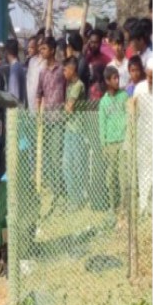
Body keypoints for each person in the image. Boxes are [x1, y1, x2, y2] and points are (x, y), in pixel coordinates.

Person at [36, 36, 65, 198]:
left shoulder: (61, 70)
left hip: (60, 119)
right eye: (40, 49)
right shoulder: (42, 72)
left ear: (52, 50)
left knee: (57, 156)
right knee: (48, 156)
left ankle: (59, 191)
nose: (41, 52)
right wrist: (39, 115)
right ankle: (53, 190)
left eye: (44, 49)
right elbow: (38, 94)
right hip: (47, 118)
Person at [98, 66, 129, 213]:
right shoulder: (103, 102)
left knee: (123, 175)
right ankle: (112, 204)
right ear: (107, 81)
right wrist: (103, 144)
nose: (117, 80)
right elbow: (102, 124)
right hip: (110, 143)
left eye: (118, 77)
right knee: (110, 176)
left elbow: (129, 117)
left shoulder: (124, 96)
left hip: (123, 141)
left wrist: (128, 138)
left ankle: (124, 205)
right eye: (114, 78)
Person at [61, 56, 87, 210]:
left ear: (72, 70)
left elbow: (69, 107)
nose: (63, 72)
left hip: (77, 130)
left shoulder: (78, 85)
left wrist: (66, 106)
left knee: (78, 165)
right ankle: (73, 199)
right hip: (69, 130)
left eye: (65, 69)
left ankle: (78, 199)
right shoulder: (70, 85)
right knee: (67, 165)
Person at [133, 58, 153, 212]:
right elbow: (134, 112)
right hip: (142, 135)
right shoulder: (140, 88)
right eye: (148, 76)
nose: (150, 80)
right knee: (143, 169)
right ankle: (143, 205)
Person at [25, 36, 45, 111]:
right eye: (28, 47)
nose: (29, 50)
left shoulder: (45, 62)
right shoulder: (31, 61)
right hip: (30, 103)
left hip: (41, 105)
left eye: (31, 47)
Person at [5, 39, 26, 104]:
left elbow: (14, 96)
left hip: (15, 110)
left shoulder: (15, 69)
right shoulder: (19, 66)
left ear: (8, 51)